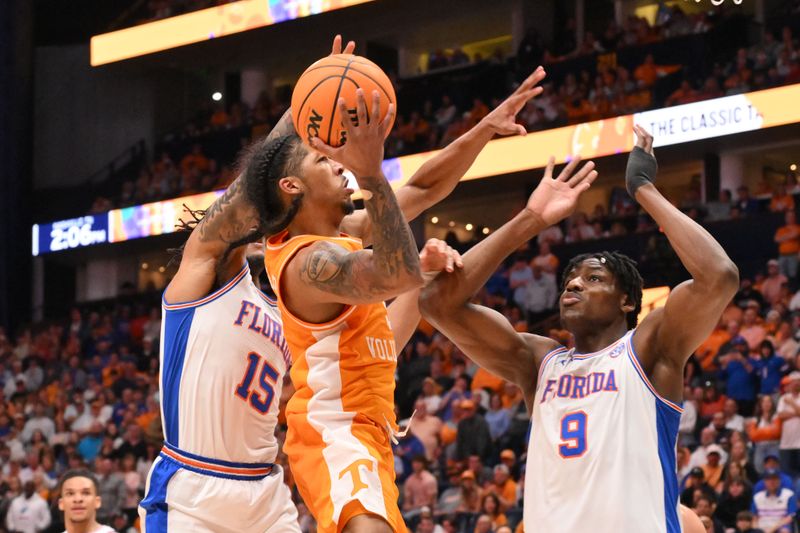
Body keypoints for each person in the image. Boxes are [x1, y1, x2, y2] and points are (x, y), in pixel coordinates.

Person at [262, 65, 549, 533]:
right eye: (321, 160)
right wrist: (371, 176)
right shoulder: (308, 264)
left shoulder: (345, 235)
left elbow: (423, 188)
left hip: (368, 431)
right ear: (292, 187)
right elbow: (395, 270)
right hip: (335, 431)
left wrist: (484, 130)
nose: (337, 162)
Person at [420, 126, 739, 532]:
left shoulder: (647, 350)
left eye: (593, 279)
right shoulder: (539, 362)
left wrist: (643, 189)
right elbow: (436, 304)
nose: (573, 284)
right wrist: (529, 220)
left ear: (627, 301)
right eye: (571, 278)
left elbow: (719, 276)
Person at [139, 36, 358, 533]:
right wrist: (307, 106)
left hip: (264, 489)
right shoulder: (207, 275)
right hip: (194, 486)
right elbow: (241, 201)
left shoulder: (293, 298)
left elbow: (392, 212)